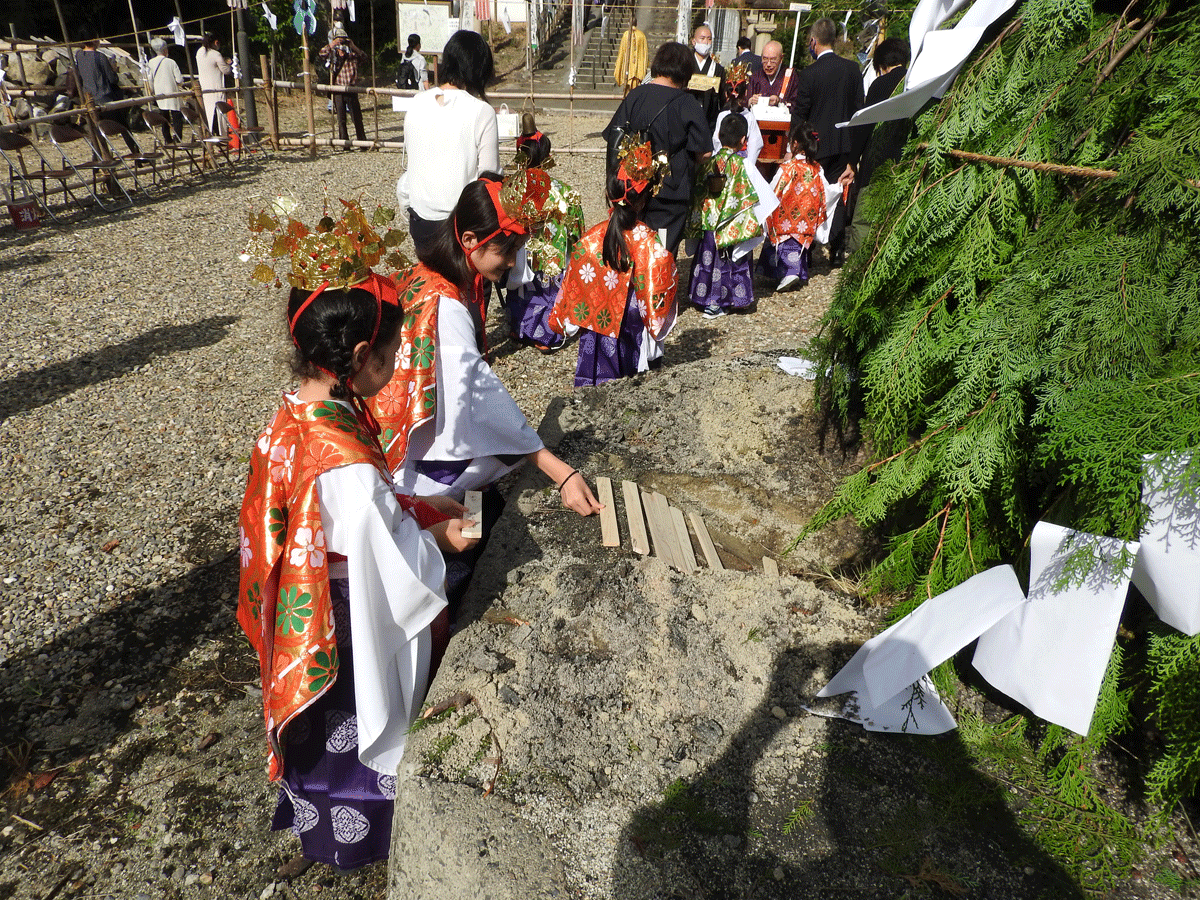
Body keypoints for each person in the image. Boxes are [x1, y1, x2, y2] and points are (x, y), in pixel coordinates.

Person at [238, 201, 478, 872]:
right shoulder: (342, 458)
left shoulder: (297, 415)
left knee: (316, 740)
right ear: (363, 355)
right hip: (342, 620)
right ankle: (362, 846)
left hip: (301, 602)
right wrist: (439, 543)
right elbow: (387, 563)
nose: (401, 365)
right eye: (396, 353)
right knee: (351, 733)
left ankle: (320, 832)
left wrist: (411, 509)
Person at [369, 173, 603, 592]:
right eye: (506, 249)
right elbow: (476, 393)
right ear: (472, 239)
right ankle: (459, 595)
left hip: (400, 444)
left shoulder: (426, 275)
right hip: (425, 475)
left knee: (486, 497)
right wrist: (557, 469)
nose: (513, 262)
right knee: (469, 540)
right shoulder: (445, 306)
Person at [549, 138, 677, 384]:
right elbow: (658, 295)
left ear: (608, 195)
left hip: (595, 321)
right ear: (644, 200)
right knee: (631, 385)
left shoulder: (589, 240)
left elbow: (571, 289)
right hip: (631, 324)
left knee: (594, 374)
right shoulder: (649, 242)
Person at [602, 42, 711, 255]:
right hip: (670, 192)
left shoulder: (635, 95)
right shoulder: (687, 103)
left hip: (631, 190)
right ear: (686, 71)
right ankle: (653, 288)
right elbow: (704, 153)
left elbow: (614, 137)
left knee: (631, 246)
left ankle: (630, 285)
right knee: (659, 252)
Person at [398, 30, 499, 249]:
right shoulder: (481, 111)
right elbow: (489, 177)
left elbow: (411, 167)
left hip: (420, 224)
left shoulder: (416, 103)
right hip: (461, 229)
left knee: (431, 282)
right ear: (479, 67)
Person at [503, 116, 585, 352]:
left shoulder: (509, 190)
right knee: (551, 286)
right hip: (553, 261)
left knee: (521, 288)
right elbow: (576, 234)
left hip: (519, 258)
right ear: (548, 158)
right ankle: (547, 333)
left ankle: (519, 327)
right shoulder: (565, 192)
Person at [789, 17, 864, 265]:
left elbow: (801, 112)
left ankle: (808, 250)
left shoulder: (809, 74)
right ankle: (837, 249)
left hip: (815, 145)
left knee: (814, 196)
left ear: (813, 41)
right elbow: (858, 111)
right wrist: (854, 154)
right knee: (838, 193)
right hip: (843, 143)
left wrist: (795, 144)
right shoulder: (853, 70)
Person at [686, 114, 766, 319]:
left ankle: (707, 299)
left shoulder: (707, 163)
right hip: (733, 225)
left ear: (719, 135)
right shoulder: (743, 165)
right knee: (733, 261)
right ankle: (732, 300)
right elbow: (758, 198)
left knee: (709, 260)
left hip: (710, 225)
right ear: (743, 141)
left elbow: (697, 194)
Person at [843, 38, 911, 256]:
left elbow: (865, 126)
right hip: (907, 160)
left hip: (878, 160)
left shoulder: (879, 85)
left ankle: (860, 260)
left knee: (865, 218)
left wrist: (852, 161)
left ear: (882, 65)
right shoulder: (916, 81)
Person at [761, 119, 827, 292]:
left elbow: (775, 188)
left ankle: (789, 272)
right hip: (807, 218)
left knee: (786, 242)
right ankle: (796, 273)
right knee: (798, 245)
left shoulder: (788, 167)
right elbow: (824, 190)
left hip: (786, 216)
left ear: (795, 144)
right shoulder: (817, 168)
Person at [74, 34, 139, 153]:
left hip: (89, 98)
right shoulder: (100, 57)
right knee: (123, 127)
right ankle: (136, 154)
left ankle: (98, 160)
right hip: (104, 97)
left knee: (96, 133)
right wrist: (113, 70)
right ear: (94, 41)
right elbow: (112, 79)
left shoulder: (79, 56)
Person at [319, 26, 369, 148]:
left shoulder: (352, 56)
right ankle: (344, 143)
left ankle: (362, 142)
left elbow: (364, 58)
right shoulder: (332, 56)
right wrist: (333, 44)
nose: (341, 44)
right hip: (337, 89)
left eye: (343, 40)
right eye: (339, 40)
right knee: (341, 119)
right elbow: (321, 54)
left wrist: (352, 46)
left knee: (357, 117)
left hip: (351, 88)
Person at [686, 24, 725, 128]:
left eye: (709, 39)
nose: (706, 42)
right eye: (702, 38)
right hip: (686, 119)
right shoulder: (685, 65)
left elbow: (722, 99)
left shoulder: (718, 69)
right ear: (693, 41)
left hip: (709, 122)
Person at [147, 37, 184, 142]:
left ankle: (167, 139)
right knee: (176, 117)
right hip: (172, 93)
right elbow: (180, 80)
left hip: (159, 94)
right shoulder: (171, 62)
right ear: (165, 50)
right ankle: (178, 139)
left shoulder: (150, 63)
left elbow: (150, 80)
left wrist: (151, 90)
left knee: (164, 118)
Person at [195, 32, 231, 135]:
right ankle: (220, 134)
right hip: (216, 86)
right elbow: (225, 70)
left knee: (208, 111)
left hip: (204, 86)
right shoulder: (216, 54)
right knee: (218, 112)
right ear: (216, 42)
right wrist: (229, 64)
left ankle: (210, 132)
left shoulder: (199, 52)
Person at [748, 41, 796, 111]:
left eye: (773, 60)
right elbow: (745, 102)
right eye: (765, 59)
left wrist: (779, 102)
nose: (768, 64)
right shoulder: (756, 76)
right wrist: (750, 101)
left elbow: (796, 104)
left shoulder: (791, 77)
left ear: (781, 59)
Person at [613, 16, 648, 96]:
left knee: (628, 93)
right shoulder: (642, 35)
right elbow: (645, 54)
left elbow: (621, 52)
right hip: (638, 68)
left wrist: (619, 65)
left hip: (628, 67)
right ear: (636, 23)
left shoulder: (626, 35)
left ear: (629, 23)